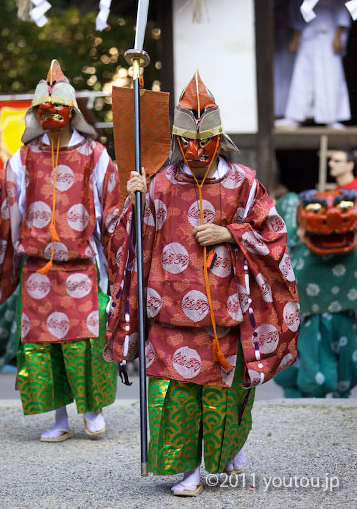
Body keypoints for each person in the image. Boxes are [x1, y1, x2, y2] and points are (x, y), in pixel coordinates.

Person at [106, 71, 299, 496]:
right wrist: (132, 199)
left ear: (219, 139)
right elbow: (129, 241)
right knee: (173, 399)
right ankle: (187, 468)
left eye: (204, 143)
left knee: (220, 401)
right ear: (175, 141)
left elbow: (275, 234)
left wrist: (231, 233)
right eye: (186, 143)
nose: (195, 152)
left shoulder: (244, 183)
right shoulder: (158, 181)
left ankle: (224, 452)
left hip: (224, 313)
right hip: (168, 310)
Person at [0, 60, 120, 441]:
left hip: (81, 265)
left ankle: (92, 409)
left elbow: (113, 206)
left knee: (85, 341)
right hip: (37, 269)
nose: (51, 115)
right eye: (43, 109)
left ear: (72, 112)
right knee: (42, 346)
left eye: (58, 108)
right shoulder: (25, 155)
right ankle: (59, 418)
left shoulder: (95, 155)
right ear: (35, 113)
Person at [275, 183, 357, 398]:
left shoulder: (352, 246)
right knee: (310, 365)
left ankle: (339, 396)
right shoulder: (294, 240)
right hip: (308, 315)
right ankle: (307, 400)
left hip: (345, 312)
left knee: (344, 363)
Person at [276, 0, 351, 129]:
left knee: (330, 75)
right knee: (302, 75)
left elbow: (341, 6)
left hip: (328, 34)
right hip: (307, 33)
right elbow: (299, 8)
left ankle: (332, 118)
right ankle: (295, 117)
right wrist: (295, 36)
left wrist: (339, 35)